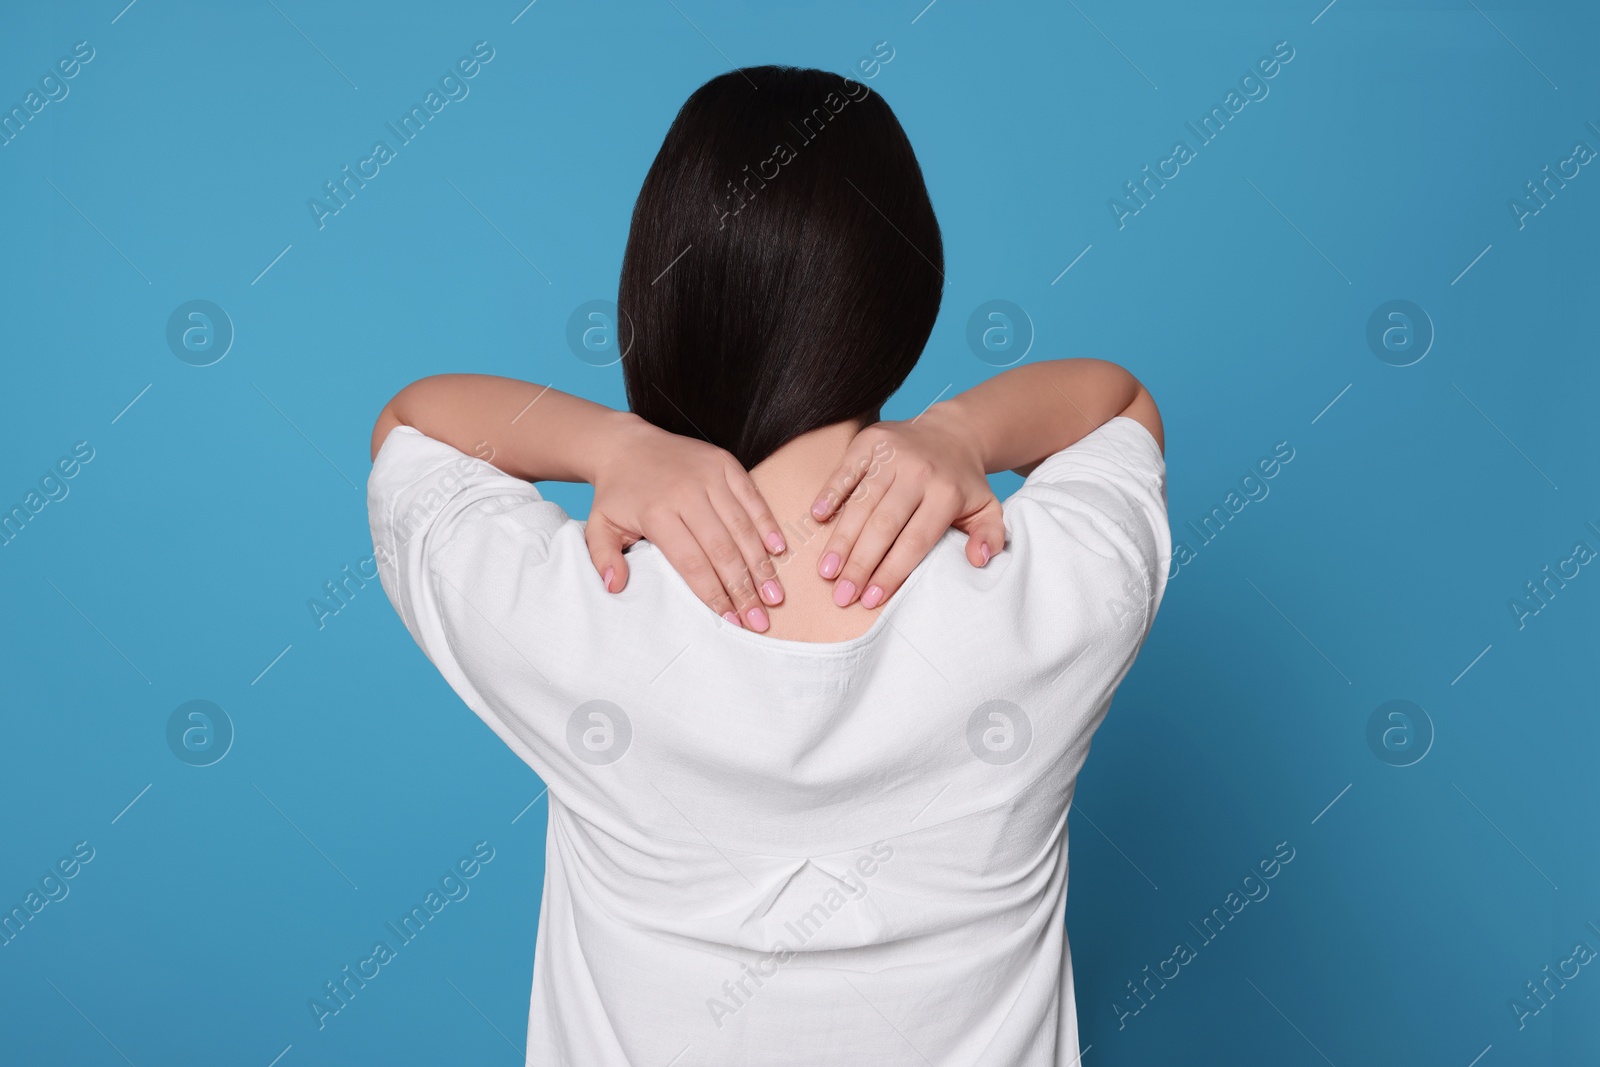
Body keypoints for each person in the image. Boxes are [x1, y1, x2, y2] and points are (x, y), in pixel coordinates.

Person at [367, 65, 1168, 1067]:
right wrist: (958, 430)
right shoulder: (1039, 595)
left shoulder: (578, 612)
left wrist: (609, 446)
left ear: (660, 291)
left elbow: (412, 422)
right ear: (909, 292)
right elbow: (1119, 402)